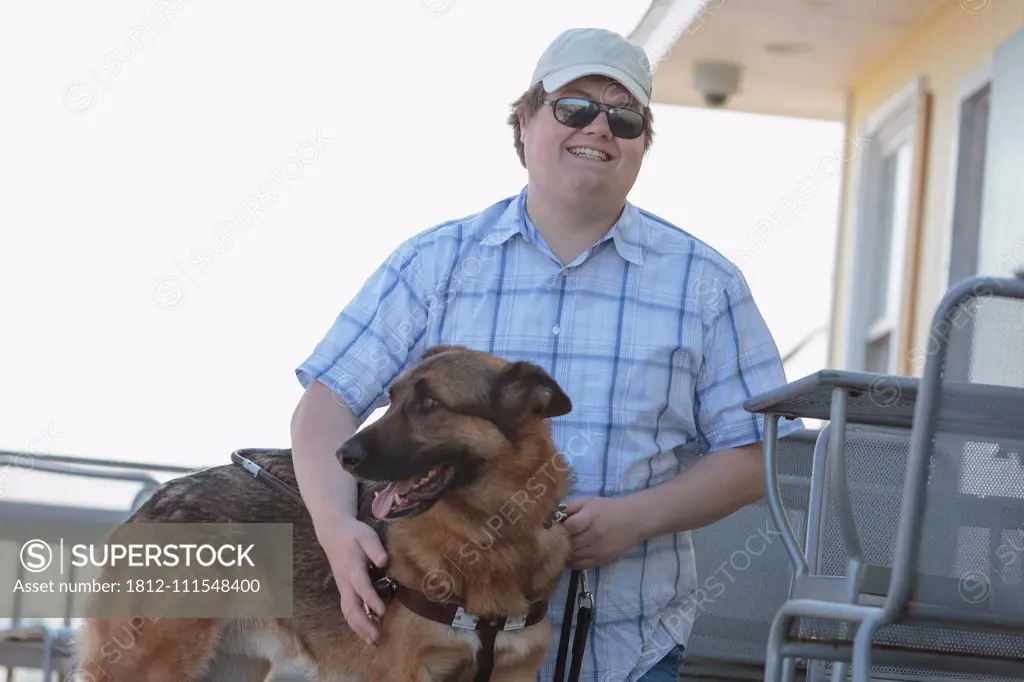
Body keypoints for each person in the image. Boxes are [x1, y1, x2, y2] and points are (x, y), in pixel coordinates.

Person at [290, 26, 803, 682]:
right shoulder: (434, 263)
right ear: (525, 121)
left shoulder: (706, 284)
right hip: (439, 645)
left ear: (642, 145)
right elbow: (324, 410)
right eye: (573, 108)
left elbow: (760, 451)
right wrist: (336, 530)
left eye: (625, 118)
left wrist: (638, 518)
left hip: (627, 645)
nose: (599, 129)